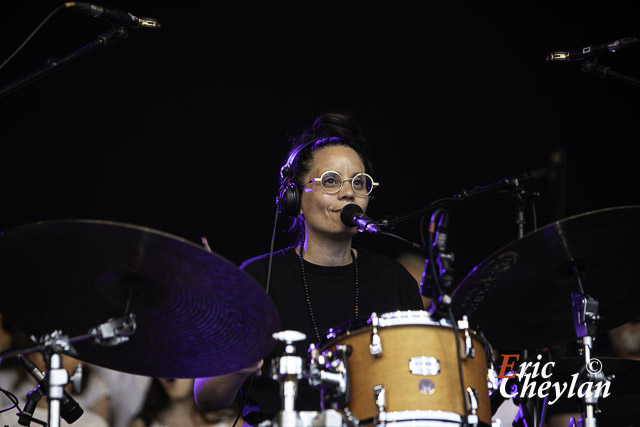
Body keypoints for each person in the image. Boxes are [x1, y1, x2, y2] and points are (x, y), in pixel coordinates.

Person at [194, 112, 424, 426]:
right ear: (294, 198)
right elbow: (207, 397)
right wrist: (241, 363)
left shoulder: (394, 280)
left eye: (359, 183)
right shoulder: (258, 278)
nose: (348, 192)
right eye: (331, 181)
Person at [130, 378, 241, 427]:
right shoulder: (141, 424)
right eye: (162, 363)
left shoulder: (232, 421)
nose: (168, 374)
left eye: (178, 361)